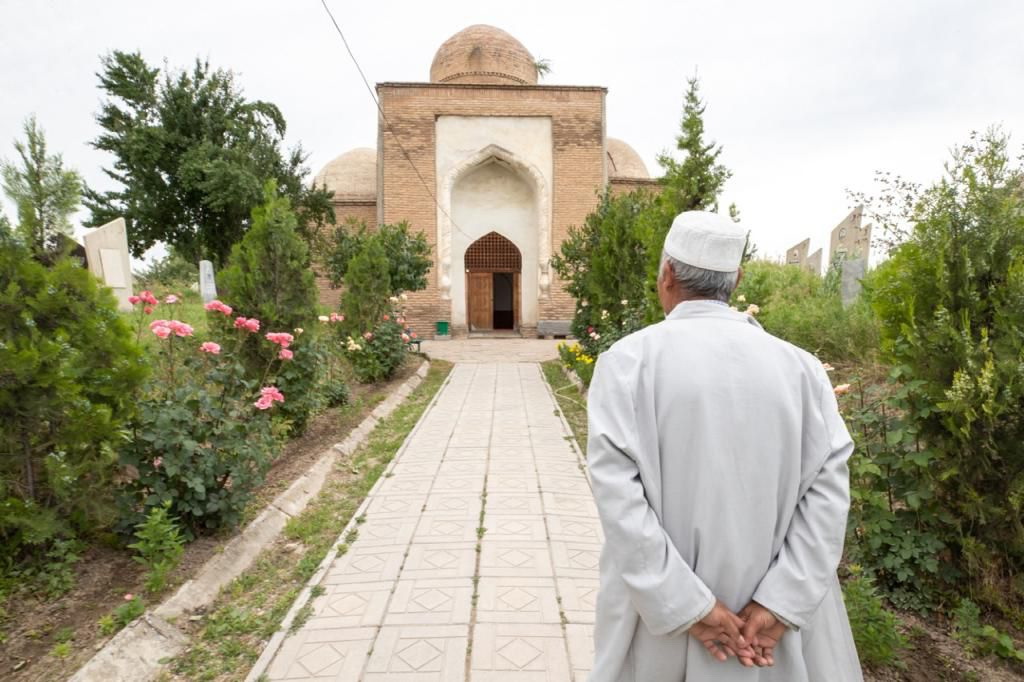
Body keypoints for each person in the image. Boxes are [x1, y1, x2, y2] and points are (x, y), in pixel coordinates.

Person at [587, 211, 863, 681]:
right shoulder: (801, 369)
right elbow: (828, 495)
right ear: (736, 279)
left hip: (661, 627)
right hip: (770, 637)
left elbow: (619, 499)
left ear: (667, 275)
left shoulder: (628, 363)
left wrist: (685, 603)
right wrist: (781, 601)